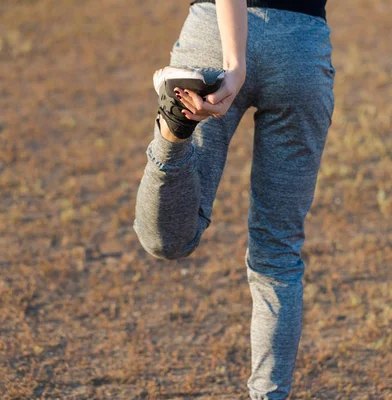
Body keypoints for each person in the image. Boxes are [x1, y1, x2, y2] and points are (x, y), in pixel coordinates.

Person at [133, 0, 334, 398]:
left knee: (169, 240)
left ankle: (173, 134)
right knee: (278, 252)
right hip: (301, 49)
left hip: (214, 42)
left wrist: (236, 61)